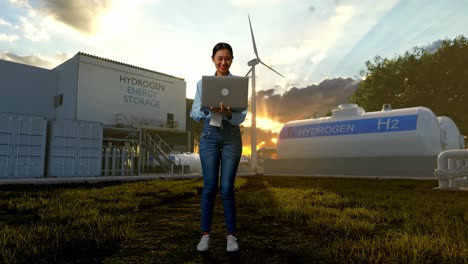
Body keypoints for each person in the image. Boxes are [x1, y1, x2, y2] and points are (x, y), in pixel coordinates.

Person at [190, 42, 247, 252]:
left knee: (226, 188)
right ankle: (205, 235)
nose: (224, 62)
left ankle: (231, 236)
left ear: (232, 60)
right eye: (220, 58)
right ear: (213, 59)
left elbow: (243, 115)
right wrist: (208, 110)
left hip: (231, 136)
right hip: (209, 135)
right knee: (210, 187)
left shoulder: (239, 85)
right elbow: (194, 112)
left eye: (228, 58)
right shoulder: (202, 84)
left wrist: (229, 113)